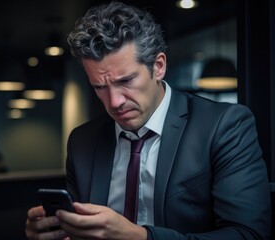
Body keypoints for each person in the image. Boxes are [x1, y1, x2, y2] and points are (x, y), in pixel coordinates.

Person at [26, 1, 272, 240]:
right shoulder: (82, 141)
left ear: (159, 66)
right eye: (99, 87)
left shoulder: (225, 126)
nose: (114, 102)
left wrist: (139, 236)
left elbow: (248, 234)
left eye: (125, 81)